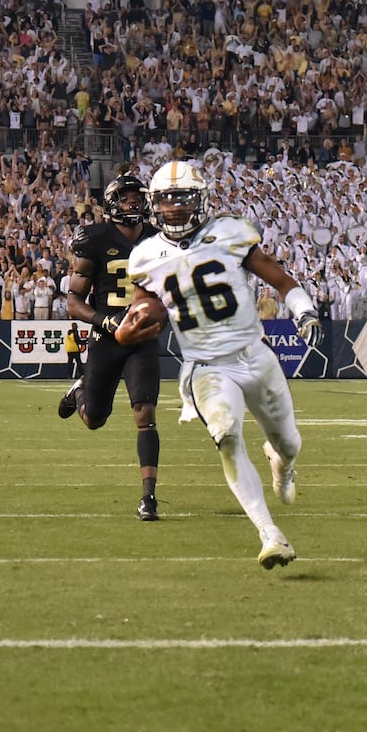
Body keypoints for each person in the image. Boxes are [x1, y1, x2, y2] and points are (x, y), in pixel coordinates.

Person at [124, 161, 322, 568]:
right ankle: (270, 535)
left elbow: (282, 281)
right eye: (165, 201)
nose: (174, 209)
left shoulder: (231, 232)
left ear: (200, 200)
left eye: (182, 200)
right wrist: (130, 330)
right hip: (205, 367)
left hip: (254, 355)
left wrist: (303, 310)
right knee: (227, 432)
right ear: (153, 205)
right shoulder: (144, 256)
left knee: (290, 443)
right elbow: (142, 309)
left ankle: (281, 463)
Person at [58, 174, 165, 521]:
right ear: (112, 203)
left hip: (144, 338)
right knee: (93, 420)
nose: (133, 203)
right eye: (126, 198)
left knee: (145, 415)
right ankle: (81, 393)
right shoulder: (94, 238)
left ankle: (148, 498)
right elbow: (73, 300)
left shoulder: (161, 239)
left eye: (137, 197)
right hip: (107, 337)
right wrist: (106, 322)